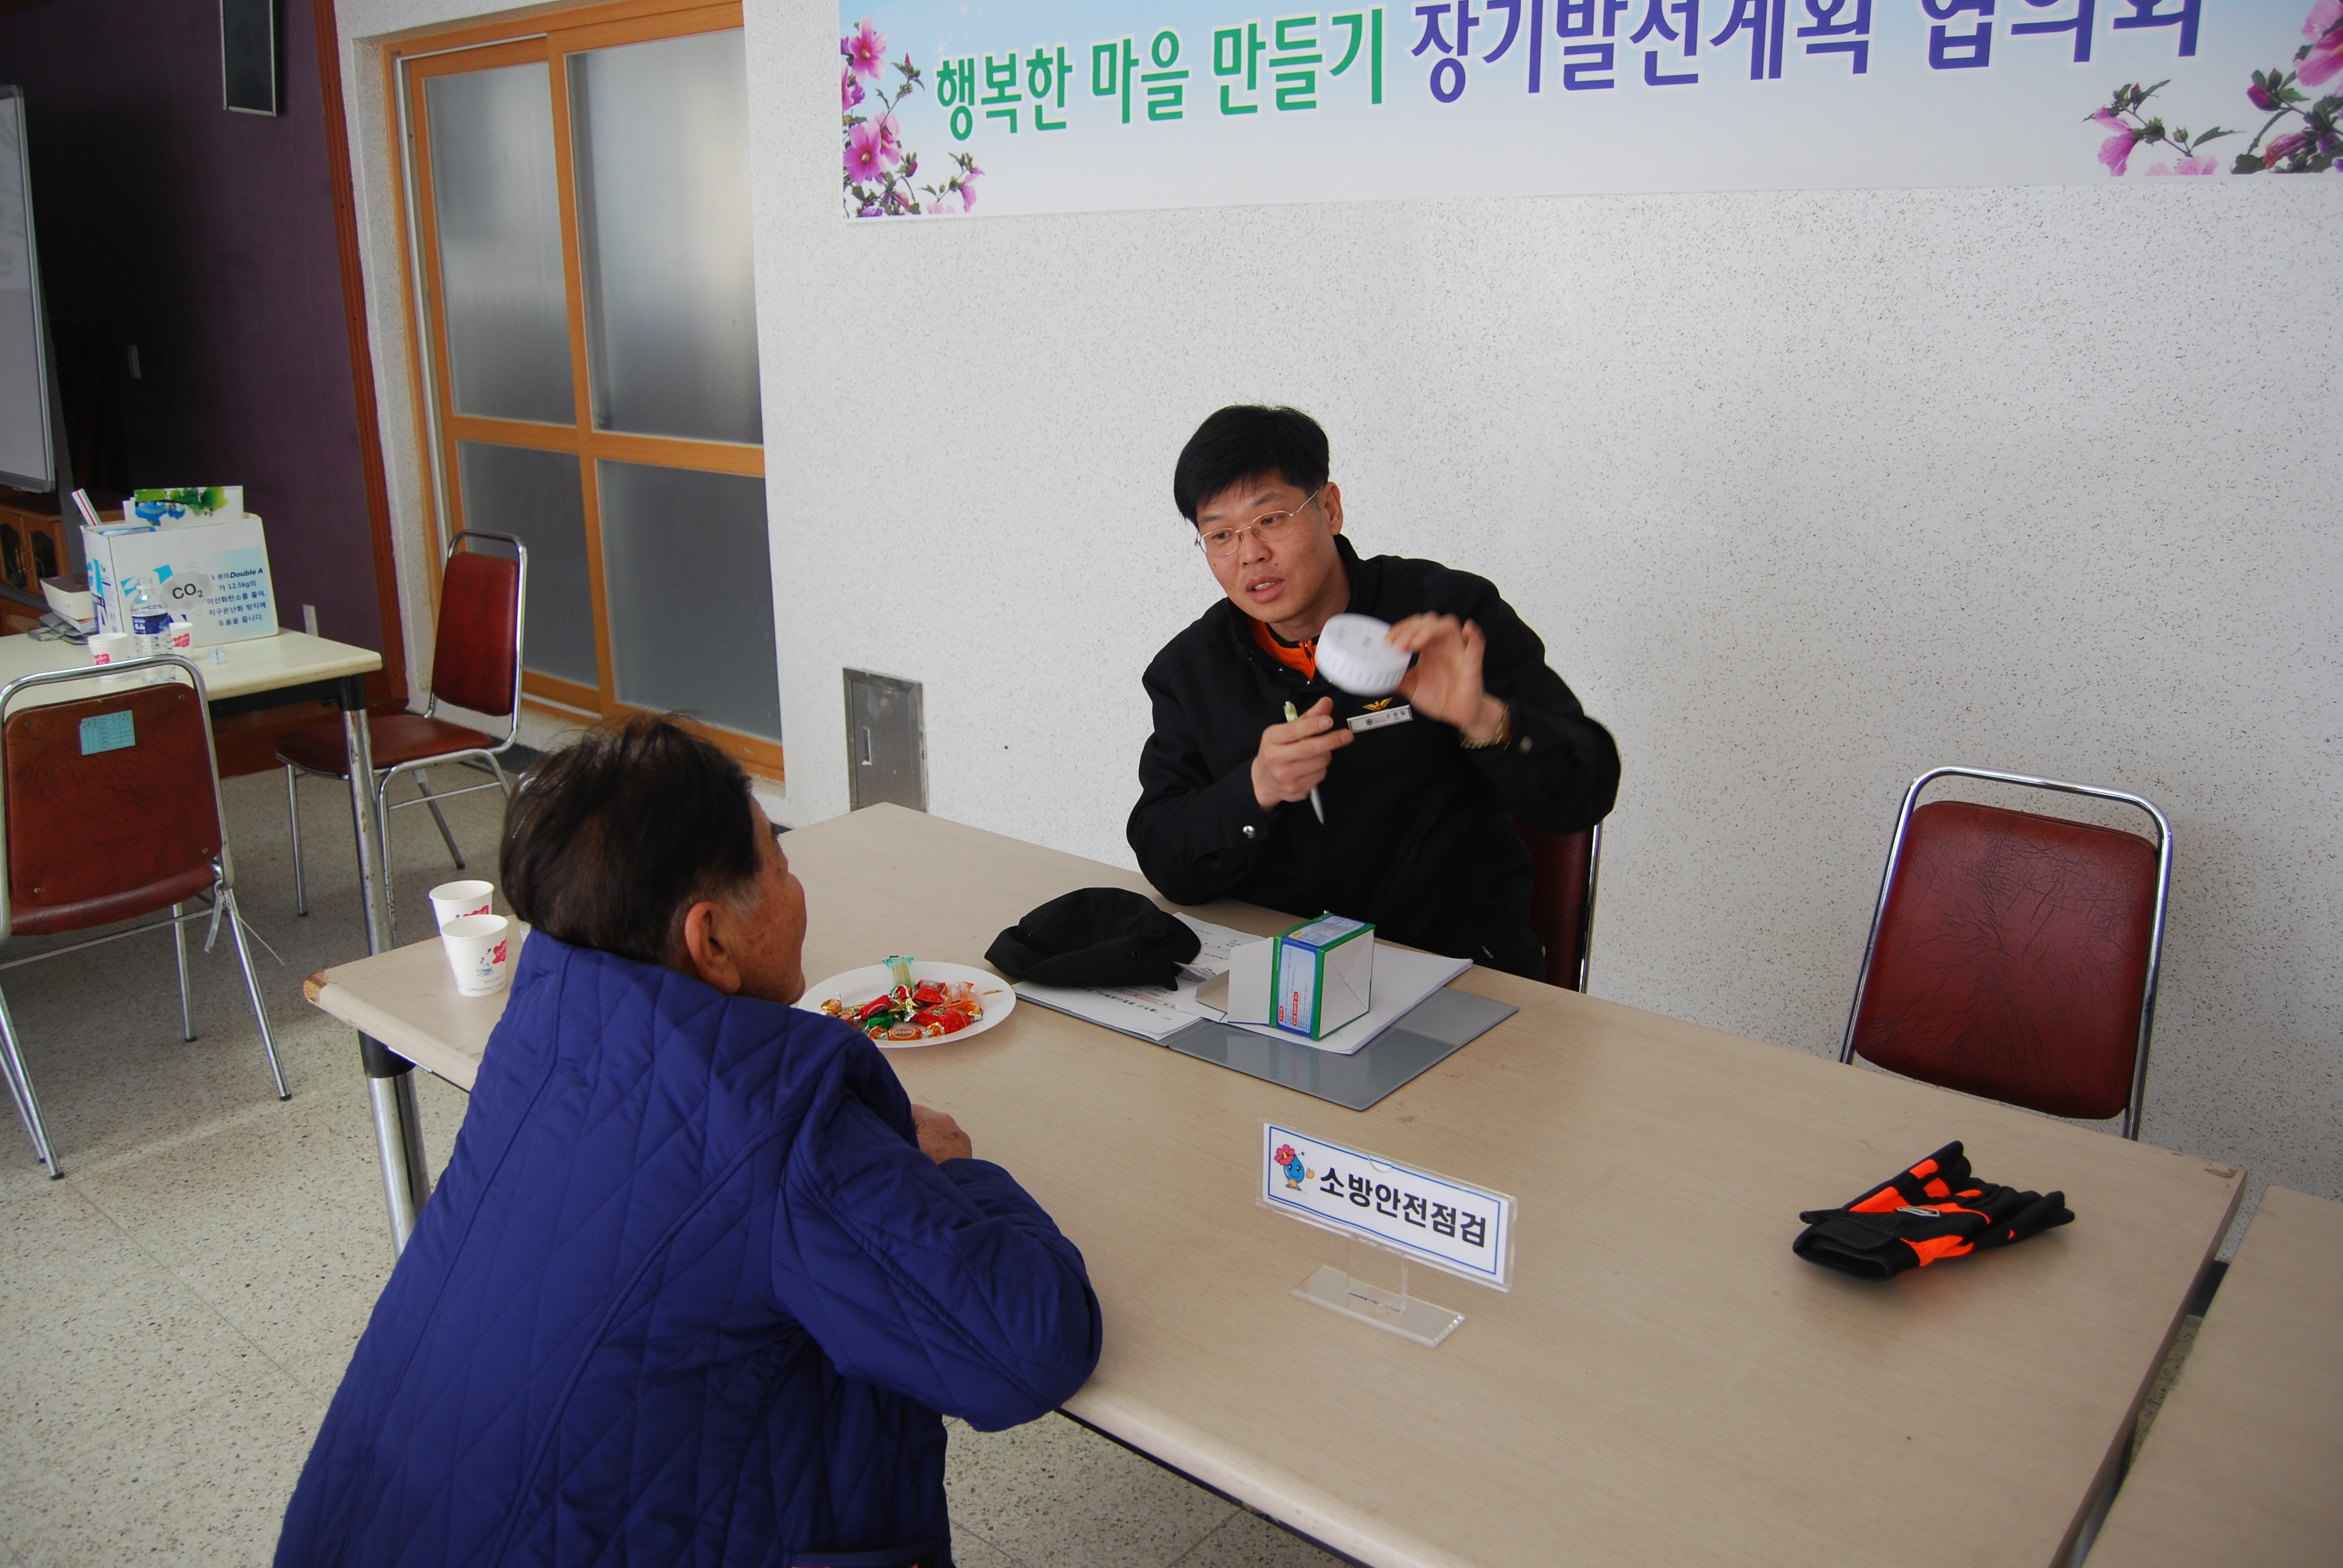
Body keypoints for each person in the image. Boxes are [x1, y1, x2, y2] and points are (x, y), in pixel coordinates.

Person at [277, 716, 1101, 1568]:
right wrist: (953, 1174)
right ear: (709, 940)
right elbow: (1027, 1350)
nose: (796, 888)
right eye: (780, 865)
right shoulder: (774, 1112)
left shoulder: (541, 1031)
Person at [1129, 405, 1620, 979]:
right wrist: (1256, 787)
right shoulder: (1190, 672)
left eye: (1271, 519)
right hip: (1287, 981)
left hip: (1456, 974)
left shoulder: (1448, 617)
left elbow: (1586, 793)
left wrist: (1486, 720)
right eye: (1220, 535)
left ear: (1330, 508)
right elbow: (1165, 858)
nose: (1250, 553)